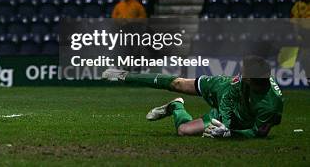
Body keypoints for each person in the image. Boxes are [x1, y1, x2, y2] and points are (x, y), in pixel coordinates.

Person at [102, 56, 283, 138]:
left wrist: (230, 132)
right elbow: (227, 98)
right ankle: (125, 75)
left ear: (252, 80)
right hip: (220, 89)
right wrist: (226, 127)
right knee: (178, 83)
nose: (240, 74)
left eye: (244, 74)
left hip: (233, 119)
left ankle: (176, 106)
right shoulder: (237, 82)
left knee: (183, 131)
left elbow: (259, 133)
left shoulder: (271, 106)